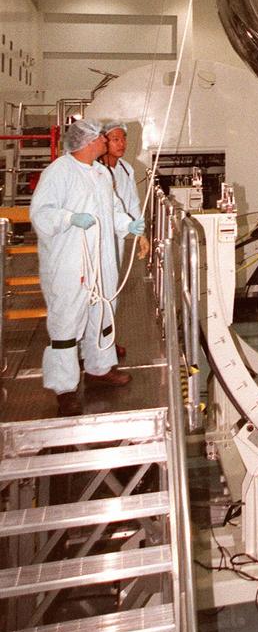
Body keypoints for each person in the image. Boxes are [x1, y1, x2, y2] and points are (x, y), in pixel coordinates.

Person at [30, 118, 145, 415]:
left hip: (102, 259)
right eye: (102, 139)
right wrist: (69, 219)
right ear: (87, 142)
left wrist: (128, 225)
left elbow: (113, 210)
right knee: (67, 323)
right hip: (71, 262)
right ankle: (64, 387)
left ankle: (100, 367)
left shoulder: (100, 174)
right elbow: (42, 213)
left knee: (103, 313)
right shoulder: (60, 172)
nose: (106, 142)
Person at [100, 119, 149, 361]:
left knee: (111, 290)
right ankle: (85, 347)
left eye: (123, 139)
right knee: (91, 295)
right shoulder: (94, 170)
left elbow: (132, 204)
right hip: (93, 240)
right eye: (116, 139)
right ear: (103, 141)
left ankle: (105, 342)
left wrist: (141, 234)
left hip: (116, 240)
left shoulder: (126, 169)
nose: (122, 144)